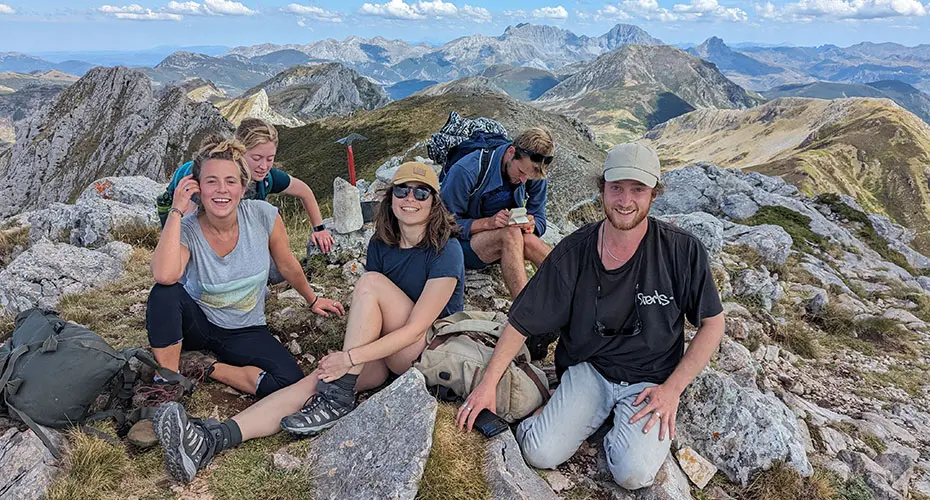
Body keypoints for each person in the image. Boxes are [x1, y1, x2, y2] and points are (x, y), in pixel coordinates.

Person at [151, 162, 465, 483]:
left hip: (429, 353)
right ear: (391, 198)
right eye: (402, 190)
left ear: (434, 202)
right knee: (315, 379)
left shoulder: (447, 250)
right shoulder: (381, 246)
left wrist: (350, 358)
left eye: (421, 192)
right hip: (388, 353)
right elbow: (380, 317)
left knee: (369, 286)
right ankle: (213, 439)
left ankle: (338, 396)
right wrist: (343, 365)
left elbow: (415, 328)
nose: (410, 198)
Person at [456, 143, 725, 490]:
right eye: (616, 188)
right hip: (590, 371)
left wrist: (672, 390)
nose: (625, 201)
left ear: (653, 195)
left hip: (651, 381)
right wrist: (487, 385)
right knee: (538, 452)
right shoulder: (575, 250)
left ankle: (613, 432)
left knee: (633, 473)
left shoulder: (681, 250)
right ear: (602, 190)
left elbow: (712, 323)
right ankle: (576, 414)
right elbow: (521, 320)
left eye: (637, 190)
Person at [143, 135, 345, 406]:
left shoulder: (263, 215)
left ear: (242, 186)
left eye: (230, 181)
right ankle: (168, 380)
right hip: (198, 323)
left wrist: (313, 299)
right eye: (211, 181)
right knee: (164, 294)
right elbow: (165, 275)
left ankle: (203, 366)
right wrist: (177, 212)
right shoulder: (188, 228)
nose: (221, 190)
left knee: (288, 380)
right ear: (198, 188)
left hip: (245, 329)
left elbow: (286, 264)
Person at [156, 118, 335, 253]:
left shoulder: (266, 178)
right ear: (239, 152)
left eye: (270, 159)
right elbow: (187, 232)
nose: (264, 166)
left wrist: (319, 229)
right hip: (181, 214)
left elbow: (304, 191)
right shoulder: (203, 176)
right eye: (256, 158)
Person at [439, 127, 554, 299]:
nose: (524, 181)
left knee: (529, 239)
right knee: (510, 235)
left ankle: (576, 298)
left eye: (529, 178)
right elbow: (443, 226)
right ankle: (523, 312)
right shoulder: (466, 170)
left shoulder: (532, 173)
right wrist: (486, 223)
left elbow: (540, 218)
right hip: (461, 246)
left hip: (507, 241)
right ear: (511, 152)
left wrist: (532, 224)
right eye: (521, 172)